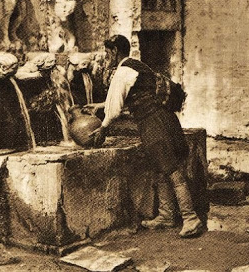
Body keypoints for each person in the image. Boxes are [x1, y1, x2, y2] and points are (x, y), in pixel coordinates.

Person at [86, 34, 205, 238]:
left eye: (107, 53)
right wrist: (99, 106)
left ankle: (191, 218)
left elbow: (114, 109)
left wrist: (103, 128)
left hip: (154, 124)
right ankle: (166, 215)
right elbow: (134, 97)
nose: (106, 58)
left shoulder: (123, 71)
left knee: (172, 171)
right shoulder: (138, 66)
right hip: (167, 119)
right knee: (162, 169)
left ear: (115, 51)